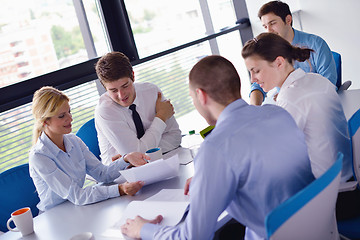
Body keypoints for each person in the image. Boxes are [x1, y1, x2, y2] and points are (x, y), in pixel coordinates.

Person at [121, 55, 315, 239]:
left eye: (192, 98)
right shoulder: (276, 113)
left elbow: (193, 236)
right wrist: (209, 176)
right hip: (316, 229)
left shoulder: (215, 147)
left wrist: (144, 229)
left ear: (201, 96)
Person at [242, 32, 359, 220]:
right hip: (346, 183)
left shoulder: (291, 100)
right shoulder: (315, 80)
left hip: (332, 200)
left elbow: (272, 158)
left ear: (279, 62)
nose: (253, 79)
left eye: (256, 70)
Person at [29, 86, 149, 212]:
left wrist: (126, 159)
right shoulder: (39, 156)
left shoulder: (74, 141)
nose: (70, 118)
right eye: (62, 116)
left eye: (69, 112)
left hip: (78, 208)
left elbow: (102, 174)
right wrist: (120, 189)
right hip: (56, 215)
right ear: (45, 122)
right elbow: (77, 195)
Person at [94, 52, 182, 165]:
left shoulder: (152, 92)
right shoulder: (105, 110)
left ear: (133, 76)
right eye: (113, 90)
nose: (121, 95)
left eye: (125, 86)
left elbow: (175, 137)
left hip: (161, 161)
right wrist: (161, 117)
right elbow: (136, 154)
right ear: (104, 87)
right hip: (123, 174)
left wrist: (137, 155)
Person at [250, 0, 337, 105]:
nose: (269, 31)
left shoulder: (316, 44)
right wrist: (254, 108)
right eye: (265, 26)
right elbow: (257, 85)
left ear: (288, 20)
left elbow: (329, 85)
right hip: (287, 107)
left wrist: (292, 95)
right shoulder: (268, 51)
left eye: (272, 23)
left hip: (316, 105)